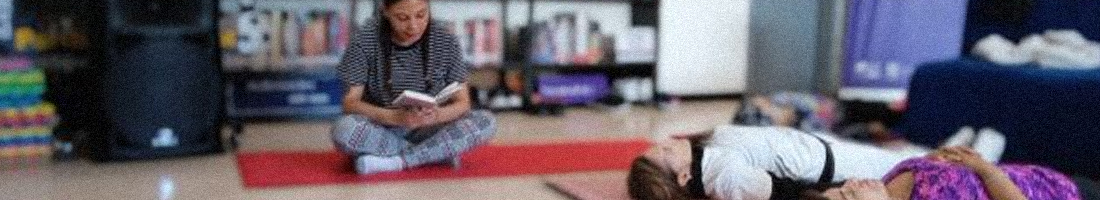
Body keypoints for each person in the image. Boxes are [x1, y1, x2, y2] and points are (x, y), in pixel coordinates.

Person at [330, 0, 496, 175]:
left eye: (421, 15)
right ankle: (437, 153)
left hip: (430, 127)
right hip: (383, 128)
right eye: (402, 18)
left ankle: (396, 161)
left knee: (486, 121)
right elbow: (350, 103)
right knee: (344, 130)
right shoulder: (364, 41)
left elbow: (463, 103)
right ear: (385, 11)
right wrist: (394, 117)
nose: (414, 26)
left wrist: (436, 116)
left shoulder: (446, 41)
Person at [626, 125, 1007, 200]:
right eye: (663, 152)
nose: (665, 142)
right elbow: (766, 188)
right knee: (927, 166)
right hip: (837, 167)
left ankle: (966, 146)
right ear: (683, 174)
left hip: (823, 150)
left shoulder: (713, 152)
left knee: (919, 159)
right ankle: (984, 150)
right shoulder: (718, 168)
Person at [817, 146, 1094, 200]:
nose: (850, 184)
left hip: (1036, 174)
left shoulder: (890, 184)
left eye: (841, 187)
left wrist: (939, 158)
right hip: (1062, 193)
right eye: (846, 198)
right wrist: (985, 170)